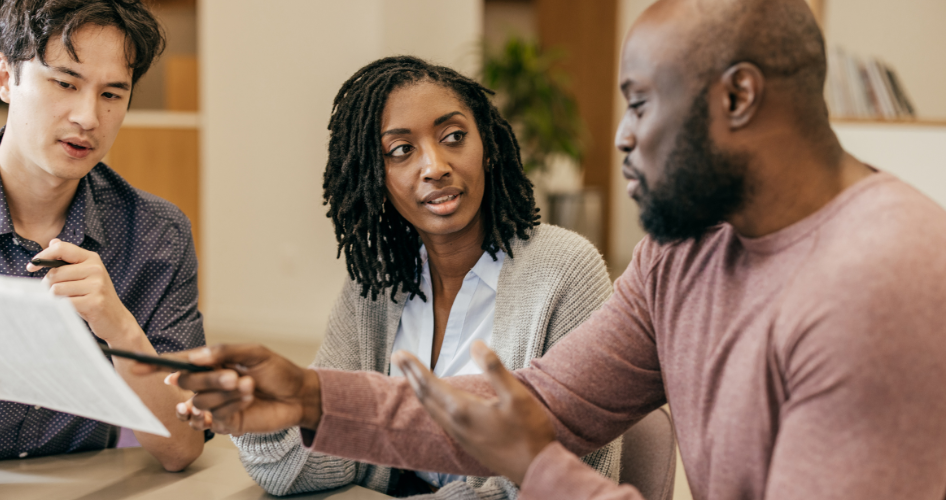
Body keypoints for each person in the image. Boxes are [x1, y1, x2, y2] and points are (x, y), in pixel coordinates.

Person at [140, 0, 946, 498]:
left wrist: (537, 467)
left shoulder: (883, 276)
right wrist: (311, 397)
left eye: (638, 104)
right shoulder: (683, 255)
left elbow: (534, 446)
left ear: (738, 96)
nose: (622, 136)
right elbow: (528, 410)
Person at [216, 56, 620, 498]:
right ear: (375, 177)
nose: (435, 166)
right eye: (401, 150)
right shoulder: (376, 286)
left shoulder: (565, 272)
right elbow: (302, 470)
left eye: (454, 137)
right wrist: (269, 423)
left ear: (487, 147)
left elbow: (567, 478)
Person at [0, 0, 206, 472]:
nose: (88, 117)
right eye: (65, 83)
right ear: (5, 77)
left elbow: (183, 448)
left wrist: (120, 329)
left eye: (111, 94)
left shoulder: (157, 234)